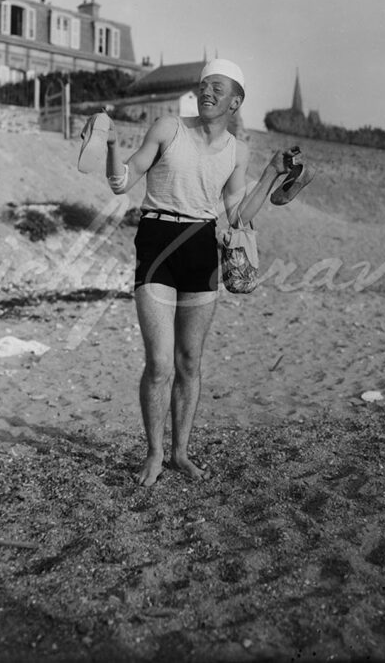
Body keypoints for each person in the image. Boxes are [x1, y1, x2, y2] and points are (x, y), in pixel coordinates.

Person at [94, 59, 309, 486]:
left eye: (218, 87)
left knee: (189, 361)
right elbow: (122, 182)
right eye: (204, 85)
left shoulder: (237, 151)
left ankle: (180, 454)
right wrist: (112, 144)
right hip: (157, 244)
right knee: (159, 363)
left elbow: (237, 215)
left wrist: (270, 174)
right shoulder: (167, 128)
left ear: (235, 101)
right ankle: (154, 454)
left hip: (201, 248)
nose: (207, 91)